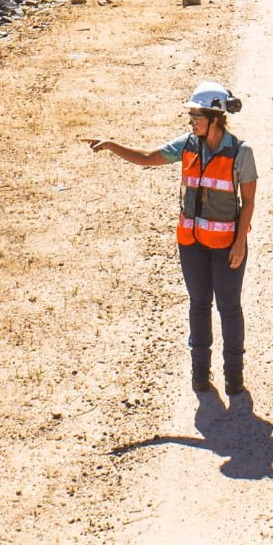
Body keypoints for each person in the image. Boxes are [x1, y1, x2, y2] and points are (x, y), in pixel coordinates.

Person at [82, 81, 257, 395]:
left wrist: (240, 242)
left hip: (226, 245)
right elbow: (149, 157)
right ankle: (200, 372)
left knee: (229, 308)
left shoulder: (242, 153)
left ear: (215, 118)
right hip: (191, 243)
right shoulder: (187, 144)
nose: (191, 122)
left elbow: (249, 202)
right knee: (199, 304)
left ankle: (234, 374)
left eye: (195, 116)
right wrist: (111, 145)